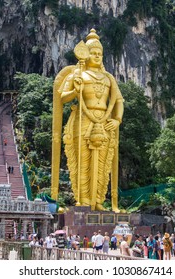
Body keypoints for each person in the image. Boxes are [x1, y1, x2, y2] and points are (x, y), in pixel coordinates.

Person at [51, 28, 124, 212]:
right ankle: (83, 200)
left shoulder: (109, 78)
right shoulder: (78, 74)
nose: (97, 56)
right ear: (86, 54)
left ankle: (98, 199)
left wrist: (117, 120)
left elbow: (118, 100)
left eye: (100, 53)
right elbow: (62, 97)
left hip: (105, 121)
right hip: (83, 119)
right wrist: (76, 90)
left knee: (103, 163)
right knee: (82, 161)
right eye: (93, 53)